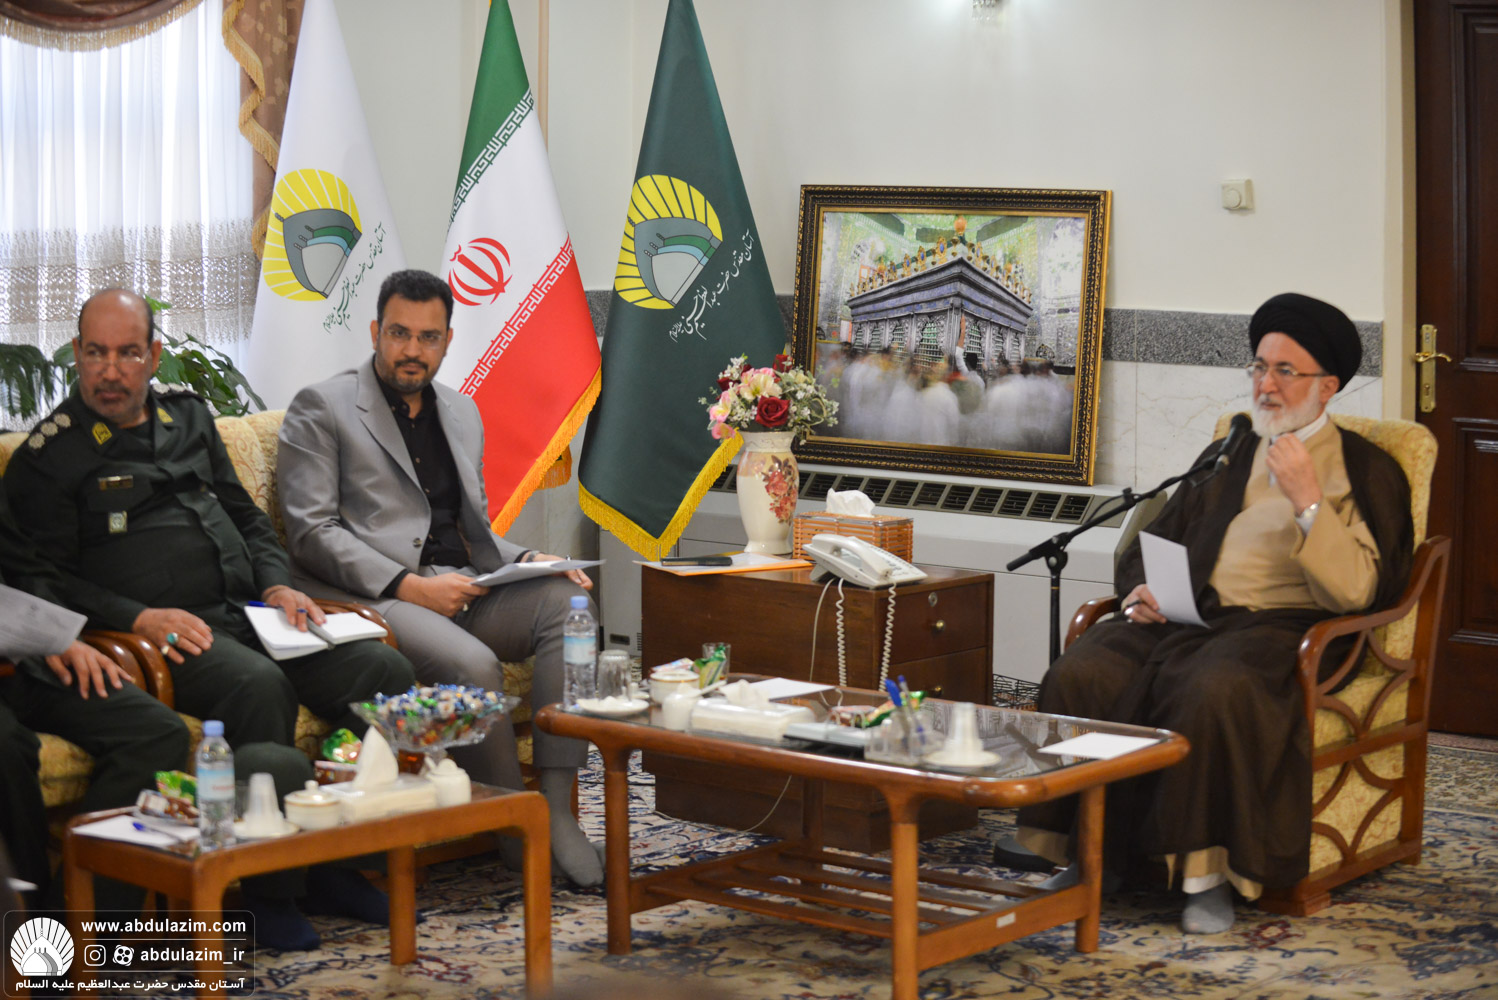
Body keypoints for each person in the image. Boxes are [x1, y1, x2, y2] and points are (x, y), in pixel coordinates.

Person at [3, 288, 417, 950]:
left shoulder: (189, 415)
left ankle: (333, 863)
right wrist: (137, 617)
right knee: (256, 685)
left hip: (248, 611)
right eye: (96, 353)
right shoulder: (51, 457)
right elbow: (44, 581)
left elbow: (246, 516)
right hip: (165, 635)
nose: (110, 371)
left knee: (384, 671)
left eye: (128, 353)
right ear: (76, 354)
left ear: (152, 356)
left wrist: (278, 585)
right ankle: (268, 890)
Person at [1012, 292, 1414, 934]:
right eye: (1260, 367)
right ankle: (1090, 857)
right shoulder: (1232, 449)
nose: (1267, 385)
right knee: (1081, 673)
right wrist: (1143, 590)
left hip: (1284, 629)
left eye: (1286, 371)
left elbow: (1359, 591)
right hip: (1188, 616)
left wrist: (1309, 501)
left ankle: (1207, 878)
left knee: (1212, 689)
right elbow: (1160, 533)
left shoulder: (1366, 469)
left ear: (1328, 385)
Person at [275, 269, 604, 886]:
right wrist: (410, 587)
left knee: (571, 606)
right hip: (375, 596)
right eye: (399, 333)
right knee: (473, 664)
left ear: (447, 341)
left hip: (463, 582)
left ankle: (557, 808)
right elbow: (312, 532)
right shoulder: (322, 406)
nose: (412, 349)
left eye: (428, 337)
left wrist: (529, 558)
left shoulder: (460, 410)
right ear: (375, 331)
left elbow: (474, 531)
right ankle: (514, 826)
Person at [0, 489, 190, 912]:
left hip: (20, 658)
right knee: (5, 749)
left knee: (155, 732)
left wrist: (57, 633)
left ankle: (78, 926)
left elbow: (23, 564)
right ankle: (20, 927)